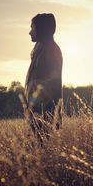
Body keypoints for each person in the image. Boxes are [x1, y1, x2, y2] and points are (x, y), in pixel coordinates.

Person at [24, 13, 63, 143]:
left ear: (41, 28)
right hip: (39, 113)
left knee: (42, 149)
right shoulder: (41, 48)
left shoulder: (50, 51)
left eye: (32, 28)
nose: (30, 32)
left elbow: (47, 86)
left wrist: (38, 114)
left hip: (45, 113)